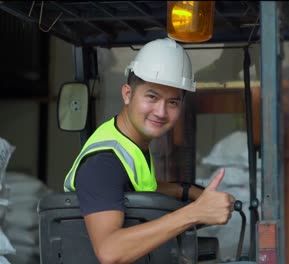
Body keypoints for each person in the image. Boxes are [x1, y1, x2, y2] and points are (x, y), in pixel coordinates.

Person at [63, 38, 236, 264]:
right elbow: (110, 251)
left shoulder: (127, 144)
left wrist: (186, 191)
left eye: (172, 102)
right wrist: (195, 212)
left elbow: (133, 188)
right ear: (127, 94)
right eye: (152, 97)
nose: (161, 112)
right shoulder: (103, 163)